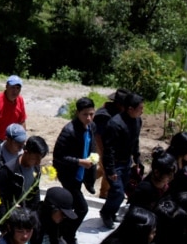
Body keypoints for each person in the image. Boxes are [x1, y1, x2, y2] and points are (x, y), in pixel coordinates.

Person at [52, 96, 96, 243]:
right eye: (85, 114)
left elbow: (91, 146)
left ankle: (61, 233)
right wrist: (79, 162)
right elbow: (58, 157)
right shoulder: (69, 131)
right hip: (68, 175)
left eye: (91, 114)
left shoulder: (91, 127)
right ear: (78, 113)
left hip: (81, 174)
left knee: (70, 208)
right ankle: (67, 235)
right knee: (82, 208)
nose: (89, 118)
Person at [100, 92, 144, 229]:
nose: (142, 111)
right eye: (140, 108)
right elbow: (109, 149)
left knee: (122, 190)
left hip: (126, 162)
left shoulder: (137, 121)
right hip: (115, 164)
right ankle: (106, 213)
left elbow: (135, 140)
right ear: (130, 109)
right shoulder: (115, 124)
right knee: (118, 191)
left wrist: (137, 157)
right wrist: (111, 169)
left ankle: (111, 213)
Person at [0, 136, 49, 224]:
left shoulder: (36, 169)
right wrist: (3, 224)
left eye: (40, 159)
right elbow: (0, 199)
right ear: (26, 152)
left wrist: (35, 214)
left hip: (25, 214)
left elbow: (35, 190)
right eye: (35, 158)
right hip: (9, 215)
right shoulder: (9, 170)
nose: (38, 163)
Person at [94, 88, 129, 198]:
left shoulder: (120, 113)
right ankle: (103, 193)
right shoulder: (104, 115)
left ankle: (87, 178)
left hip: (111, 146)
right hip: (101, 145)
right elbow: (97, 136)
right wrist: (103, 153)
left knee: (104, 168)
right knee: (108, 169)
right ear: (120, 104)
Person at [0, 75, 27, 155]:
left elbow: (22, 121)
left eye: (18, 88)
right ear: (6, 86)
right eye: (13, 87)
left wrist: (23, 140)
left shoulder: (20, 100)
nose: (15, 91)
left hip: (13, 141)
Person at [129, 146, 176, 211]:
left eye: (173, 174)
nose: (172, 177)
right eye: (168, 175)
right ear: (157, 172)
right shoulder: (144, 190)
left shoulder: (165, 186)